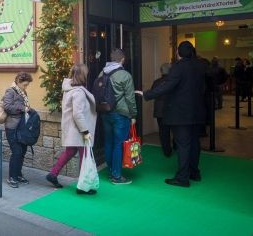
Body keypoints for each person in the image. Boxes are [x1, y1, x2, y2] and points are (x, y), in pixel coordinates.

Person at [144, 41, 205, 187]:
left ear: (178, 53)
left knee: (183, 145)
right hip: (197, 112)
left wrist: (147, 94)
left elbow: (168, 86)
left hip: (181, 113)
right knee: (194, 143)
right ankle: (194, 172)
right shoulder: (199, 66)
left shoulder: (179, 67)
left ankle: (182, 178)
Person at [45, 64, 97, 194]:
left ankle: (53, 174)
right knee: (84, 157)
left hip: (73, 129)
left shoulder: (69, 89)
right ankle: (82, 186)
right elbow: (77, 114)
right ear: (82, 75)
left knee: (70, 152)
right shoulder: (78, 92)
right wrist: (85, 131)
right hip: (79, 130)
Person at [100, 48, 137, 185]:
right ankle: (116, 176)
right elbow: (130, 98)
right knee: (119, 144)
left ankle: (111, 171)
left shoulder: (102, 72)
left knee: (109, 142)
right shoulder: (125, 75)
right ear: (122, 59)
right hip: (121, 114)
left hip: (105, 112)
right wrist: (133, 114)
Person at [3, 72, 34, 188]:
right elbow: (7, 106)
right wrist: (22, 108)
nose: (26, 87)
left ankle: (18, 174)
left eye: (27, 85)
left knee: (22, 152)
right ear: (18, 82)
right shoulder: (10, 91)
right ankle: (12, 177)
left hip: (22, 126)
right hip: (12, 126)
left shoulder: (22, 92)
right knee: (16, 152)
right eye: (25, 85)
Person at [151, 63, 173, 157]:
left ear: (161, 71)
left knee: (163, 132)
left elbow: (152, 94)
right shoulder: (173, 81)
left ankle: (166, 151)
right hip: (172, 110)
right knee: (176, 130)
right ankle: (177, 147)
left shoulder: (156, 82)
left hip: (159, 110)